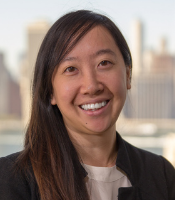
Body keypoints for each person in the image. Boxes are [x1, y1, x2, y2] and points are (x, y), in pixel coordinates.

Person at [0, 10, 175, 200]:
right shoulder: (11, 179)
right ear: (50, 91)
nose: (91, 86)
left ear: (127, 75)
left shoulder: (161, 175)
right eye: (71, 69)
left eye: (104, 63)